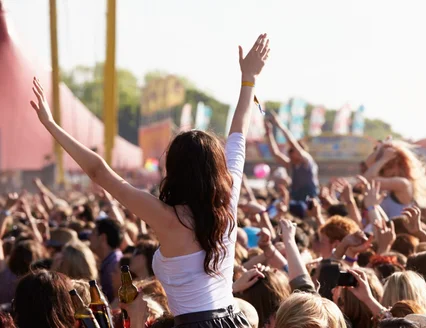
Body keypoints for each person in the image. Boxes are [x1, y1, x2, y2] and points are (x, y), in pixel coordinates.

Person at [28, 33, 270, 327]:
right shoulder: (226, 200)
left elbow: (99, 172)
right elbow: (238, 136)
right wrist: (248, 80)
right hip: (234, 321)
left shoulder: (167, 216)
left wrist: (51, 125)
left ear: (176, 170)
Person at [265, 111, 319, 218]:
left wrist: (279, 124)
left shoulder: (307, 161)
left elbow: (293, 143)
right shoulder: (292, 165)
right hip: (296, 201)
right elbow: (275, 154)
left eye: (292, 152)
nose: (289, 155)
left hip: (309, 202)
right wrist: (269, 133)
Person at [363, 140, 426, 216]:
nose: (383, 172)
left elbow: (368, 180)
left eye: (387, 167)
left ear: (398, 165)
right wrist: (382, 147)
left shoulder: (403, 183)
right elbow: (369, 163)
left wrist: (384, 159)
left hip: (397, 227)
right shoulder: (395, 181)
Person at [89, 218, 124, 301]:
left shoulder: (115, 266)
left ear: (102, 238)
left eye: (93, 233)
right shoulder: (111, 261)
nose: (89, 237)